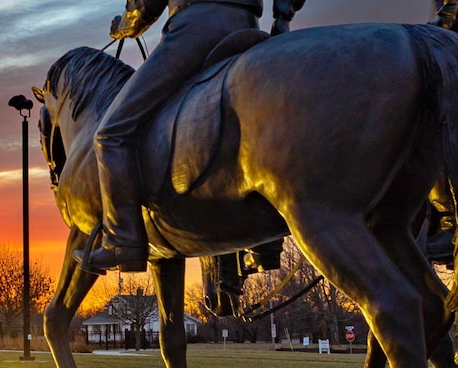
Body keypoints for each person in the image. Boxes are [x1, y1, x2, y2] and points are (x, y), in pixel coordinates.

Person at [79, 0, 304, 273]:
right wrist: (283, 17)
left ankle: (122, 242)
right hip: (245, 29)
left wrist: (125, 25)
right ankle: (265, 239)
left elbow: (145, 6)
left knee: (110, 134)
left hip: (194, 32)